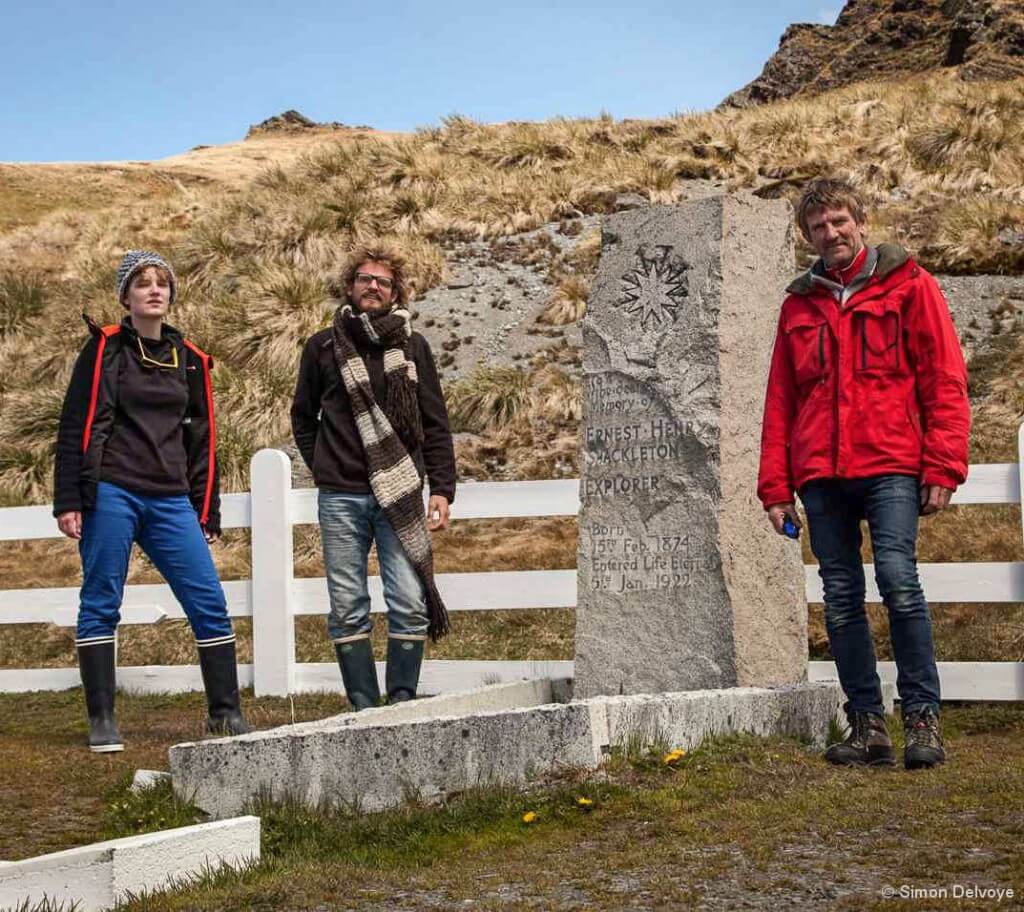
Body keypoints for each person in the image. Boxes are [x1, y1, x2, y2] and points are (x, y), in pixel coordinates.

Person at [758, 178, 970, 770]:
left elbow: (944, 377)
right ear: (808, 237)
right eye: (818, 227)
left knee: (899, 582)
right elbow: (780, 401)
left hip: (891, 464)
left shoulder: (910, 284)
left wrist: (944, 463)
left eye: (839, 221)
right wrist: (775, 487)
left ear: (860, 221)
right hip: (820, 475)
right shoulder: (798, 305)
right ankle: (867, 726)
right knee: (842, 596)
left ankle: (923, 720)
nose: (831, 233)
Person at [54, 250, 250, 752]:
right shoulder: (105, 349)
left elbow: (202, 439)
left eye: (162, 283)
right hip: (112, 491)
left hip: (171, 499)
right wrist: (68, 499)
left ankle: (225, 714)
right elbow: (76, 423)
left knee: (208, 600)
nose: (154, 290)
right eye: (143, 283)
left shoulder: (191, 359)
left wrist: (207, 508)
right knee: (101, 600)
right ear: (126, 297)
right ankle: (102, 720)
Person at [291, 244, 456, 710]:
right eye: (365, 278)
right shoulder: (323, 346)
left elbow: (435, 423)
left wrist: (442, 488)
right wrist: (326, 462)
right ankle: (363, 706)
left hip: (400, 493)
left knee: (408, 600)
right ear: (350, 286)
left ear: (395, 292)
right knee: (347, 604)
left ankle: (401, 700)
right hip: (341, 496)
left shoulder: (414, 347)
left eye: (383, 281)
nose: (374, 286)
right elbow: (303, 417)